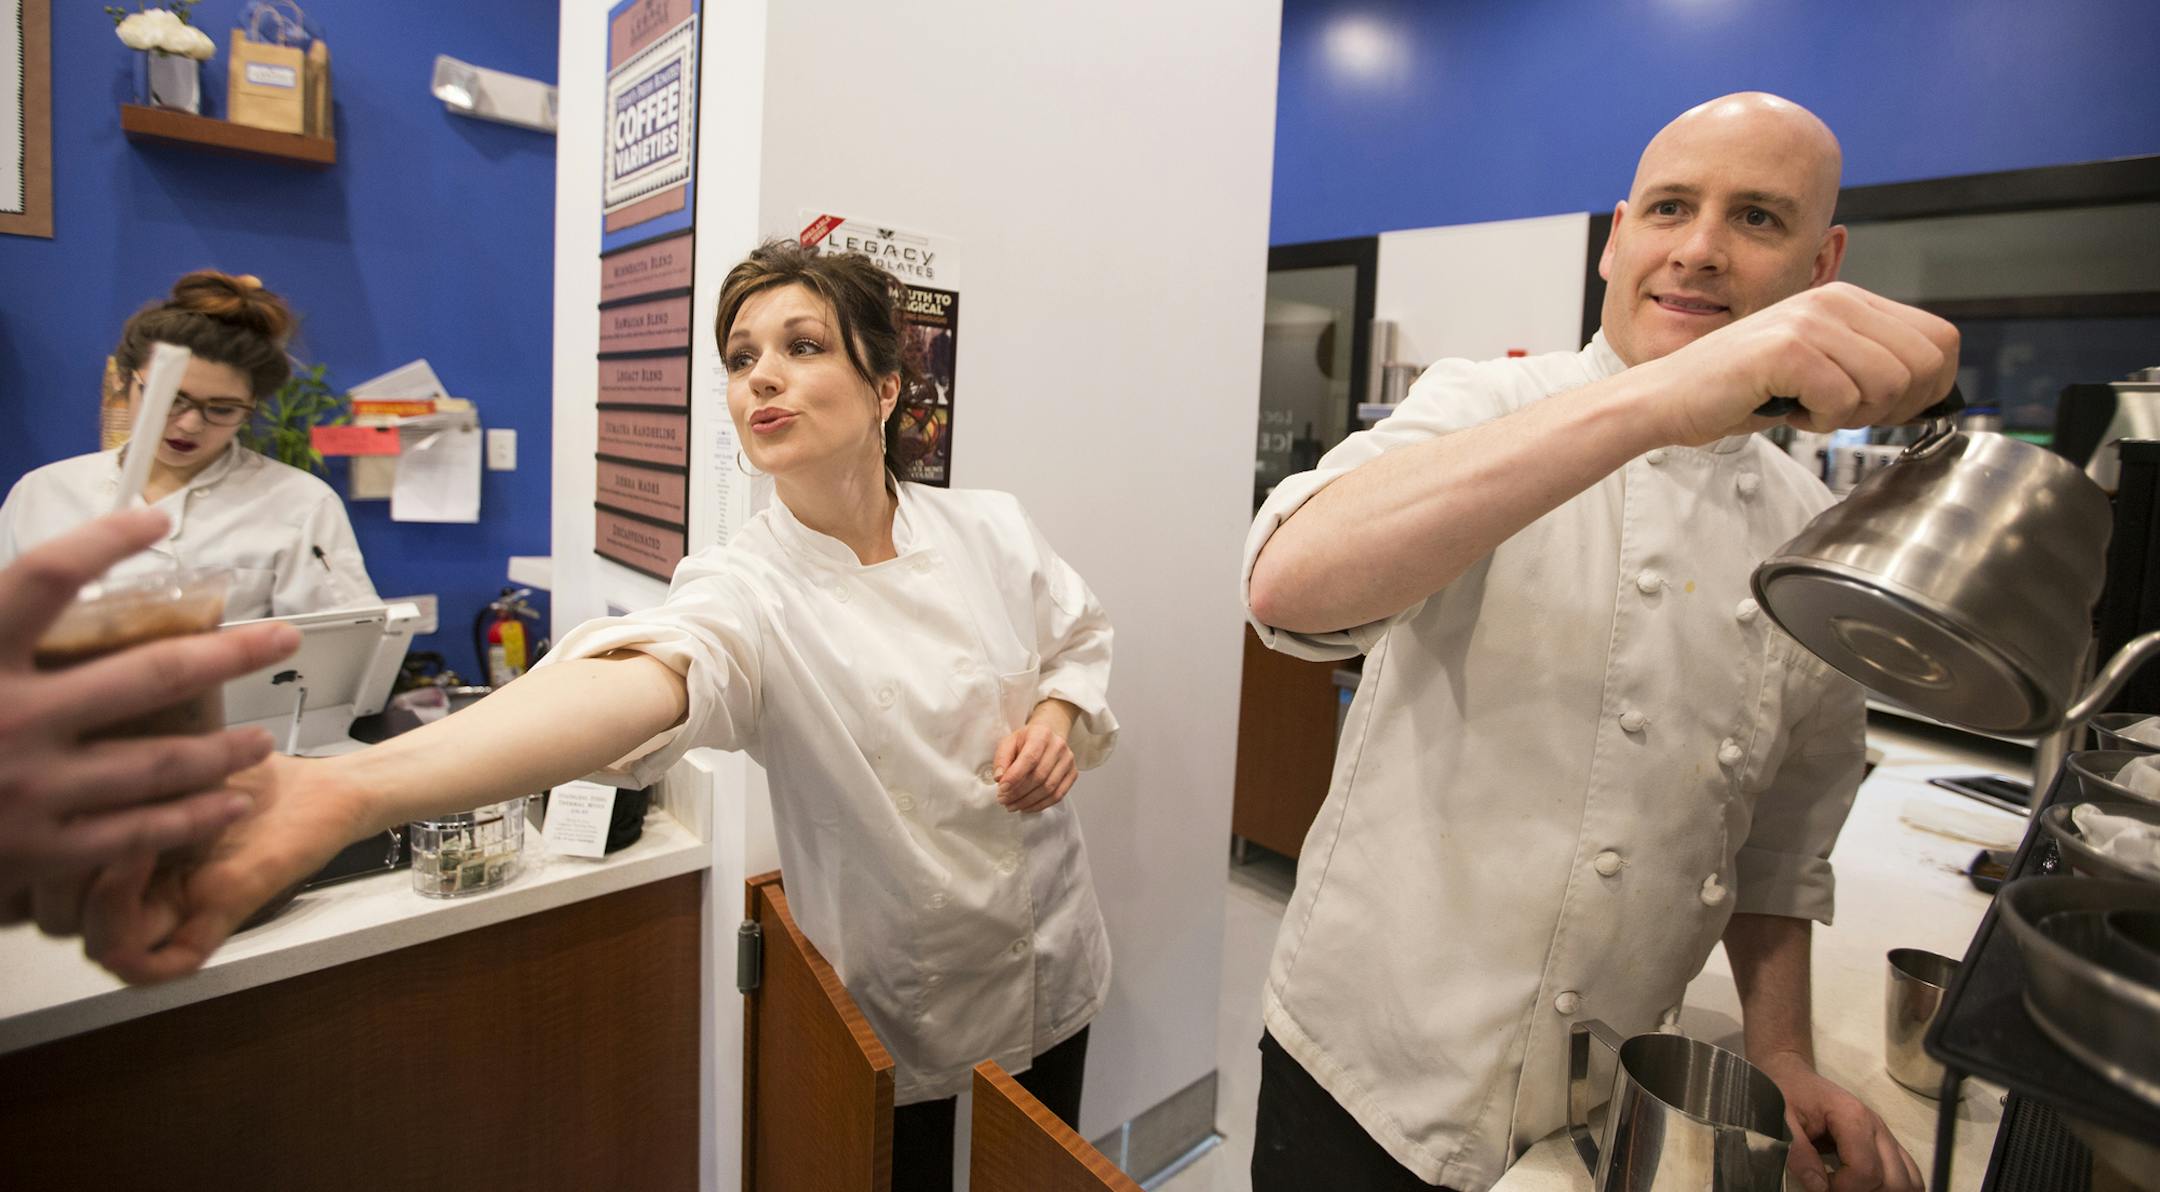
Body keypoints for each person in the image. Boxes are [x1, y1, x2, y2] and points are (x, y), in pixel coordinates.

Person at [77, 242, 1119, 1192]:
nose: (759, 374)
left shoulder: (990, 528)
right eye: (741, 353)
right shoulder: (743, 583)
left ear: (887, 387)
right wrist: (355, 788)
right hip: (908, 992)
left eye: (801, 346)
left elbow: (1077, 640)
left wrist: (1063, 718)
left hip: (1049, 948)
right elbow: (654, 670)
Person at [1241, 94, 1952, 1192]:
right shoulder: (1488, 403)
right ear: (1619, 236)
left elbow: (1781, 837)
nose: (1701, 249)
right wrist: (1662, 400)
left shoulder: (1811, 523)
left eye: (1758, 219)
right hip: (1367, 1071)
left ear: (1826, 262)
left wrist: (1781, 1055)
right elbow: (1288, 592)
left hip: (1609, 1104)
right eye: (1672, 207)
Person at [0, 270, 379, 621]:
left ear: (250, 409)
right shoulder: (43, 493)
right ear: (124, 382)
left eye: (223, 408)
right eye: (170, 398)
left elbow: (346, 646)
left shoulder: (300, 504)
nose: (190, 423)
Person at [1, 508, 299, 930]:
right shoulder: (39, 493)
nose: (191, 435)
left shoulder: (298, 501)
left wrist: (327, 792)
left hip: (217, 771)